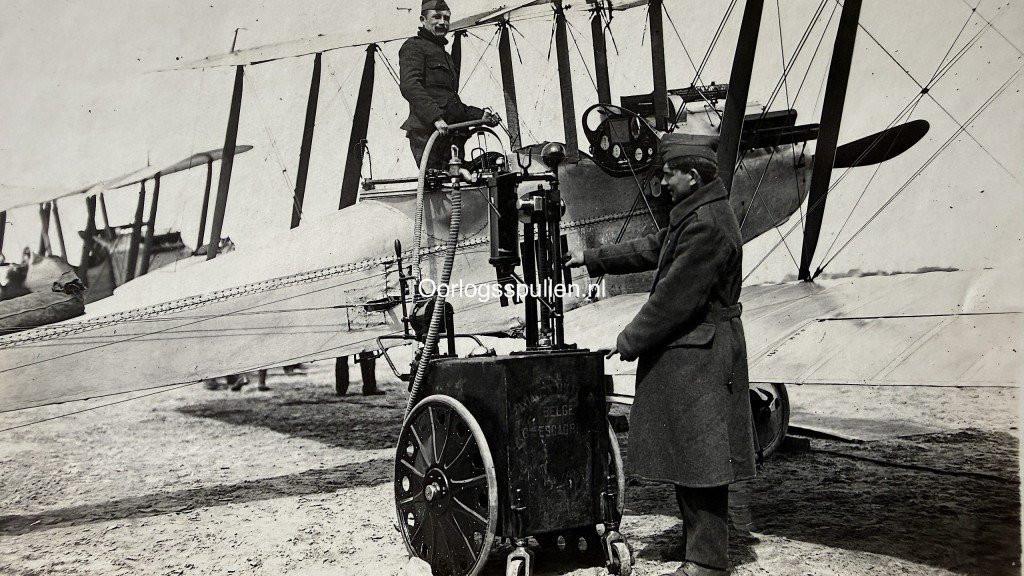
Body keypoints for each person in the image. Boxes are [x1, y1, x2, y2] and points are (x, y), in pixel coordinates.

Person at [566, 132, 755, 576]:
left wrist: (628, 340)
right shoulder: (699, 212)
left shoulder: (707, 224)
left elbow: (674, 298)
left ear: (693, 176)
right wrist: (592, 258)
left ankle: (707, 563)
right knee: (689, 454)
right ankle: (697, 546)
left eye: (670, 174)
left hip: (703, 352)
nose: (663, 182)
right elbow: (655, 247)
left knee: (704, 460)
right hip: (694, 348)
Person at [399, 0, 493, 170]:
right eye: (436, 17)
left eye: (446, 18)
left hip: (451, 134)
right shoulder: (414, 47)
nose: (442, 22)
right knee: (437, 183)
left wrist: (482, 116)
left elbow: (451, 102)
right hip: (430, 134)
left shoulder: (444, 55)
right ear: (423, 20)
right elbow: (410, 85)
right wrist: (435, 118)